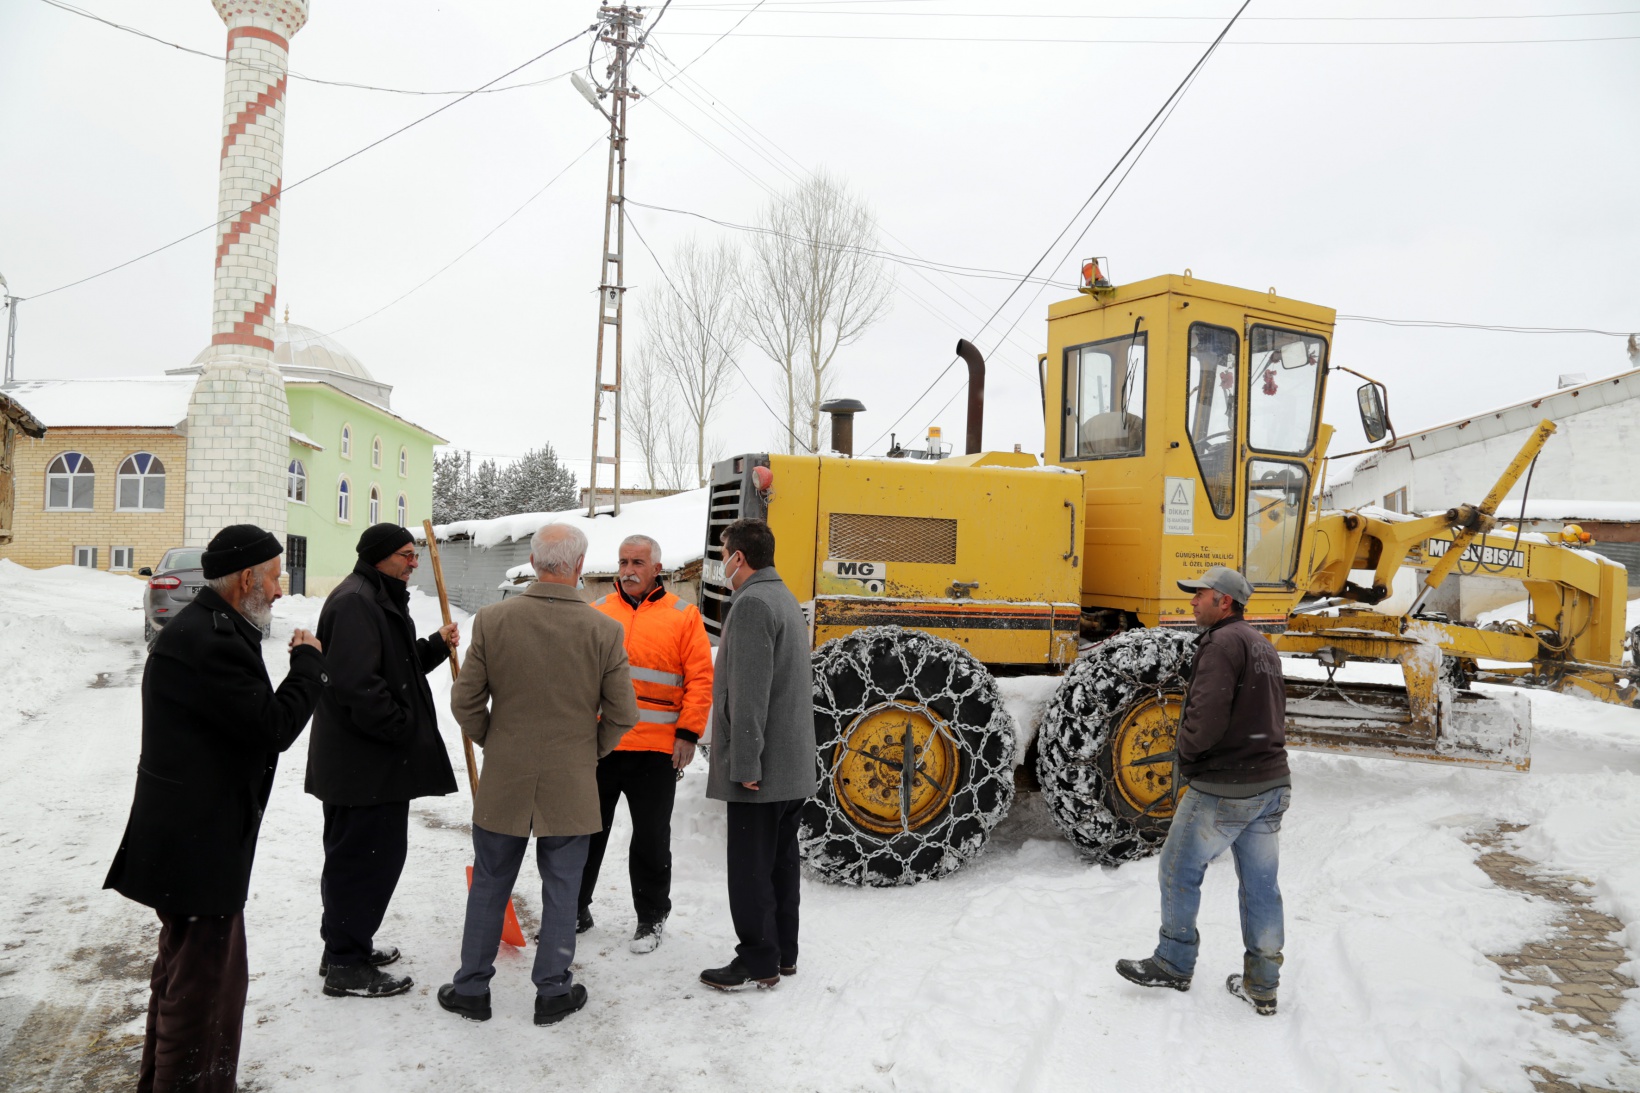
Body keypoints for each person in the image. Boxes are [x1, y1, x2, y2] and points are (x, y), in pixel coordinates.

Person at [104, 525, 327, 1092]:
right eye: (275, 577)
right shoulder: (210, 640)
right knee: (202, 997)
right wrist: (307, 667)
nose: (280, 590)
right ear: (247, 577)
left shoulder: (216, 627)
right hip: (196, 847)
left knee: (187, 979)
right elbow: (271, 728)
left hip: (192, 841)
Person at [439, 524, 639, 1026]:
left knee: (490, 882)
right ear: (579, 565)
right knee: (562, 888)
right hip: (571, 780)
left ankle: (471, 990)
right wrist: (586, 751)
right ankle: (552, 992)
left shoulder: (492, 620)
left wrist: (496, 741)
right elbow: (623, 713)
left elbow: (465, 702)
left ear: (532, 559)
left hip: (506, 776)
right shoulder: (604, 630)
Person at [1116, 565, 1291, 1016]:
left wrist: (1188, 757)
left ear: (1224, 602)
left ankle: (1174, 962)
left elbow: (1206, 716)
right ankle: (1263, 984)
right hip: (1271, 782)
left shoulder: (1220, 644)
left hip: (1226, 785)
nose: (1192, 601)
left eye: (1200, 594)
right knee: (1261, 887)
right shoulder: (1263, 647)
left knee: (1177, 869)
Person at [305, 523, 460, 999]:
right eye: (405, 555)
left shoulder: (374, 597)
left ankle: (344, 948)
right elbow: (358, 684)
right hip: (365, 764)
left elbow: (392, 663)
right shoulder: (357, 602)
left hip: (366, 764)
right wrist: (400, 729)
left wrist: (434, 646)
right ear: (379, 558)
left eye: (415, 554)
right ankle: (348, 965)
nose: (414, 562)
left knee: (358, 857)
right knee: (366, 861)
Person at [578, 534, 713, 953]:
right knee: (585, 834)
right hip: (602, 747)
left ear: (657, 568)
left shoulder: (683, 615)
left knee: (651, 839)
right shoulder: (598, 612)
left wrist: (688, 734)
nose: (628, 570)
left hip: (657, 750)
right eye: (623, 562)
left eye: (637, 562)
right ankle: (574, 909)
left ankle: (651, 919)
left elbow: (700, 680)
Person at [700, 518, 817, 991]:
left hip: (761, 771)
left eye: (723, 552)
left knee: (750, 870)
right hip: (789, 768)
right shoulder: (783, 597)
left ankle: (757, 960)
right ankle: (782, 954)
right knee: (780, 865)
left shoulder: (750, 605)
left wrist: (745, 763)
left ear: (739, 557)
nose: (720, 562)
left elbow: (749, 695)